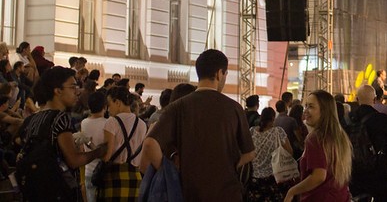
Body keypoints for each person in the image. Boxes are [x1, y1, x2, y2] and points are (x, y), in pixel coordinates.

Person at [141, 49, 255, 201]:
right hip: (227, 193)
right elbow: (249, 153)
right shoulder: (233, 108)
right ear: (219, 73)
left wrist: (170, 172)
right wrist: (231, 165)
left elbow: (149, 143)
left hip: (189, 192)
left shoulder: (178, 106)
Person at [18, 66, 106, 201]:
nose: (77, 92)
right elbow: (74, 160)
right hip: (57, 191)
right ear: (57, 91)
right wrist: (99, 151)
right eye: (73, 87)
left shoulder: (30, 119)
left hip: (35, 191)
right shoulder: (59, 118)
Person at [284, 90, 352, 202]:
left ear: (324, 110)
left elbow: (319, 176)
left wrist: (292, 191)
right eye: (305, 106)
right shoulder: (339, 136)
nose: (305, 111)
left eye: (311, 107)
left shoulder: (315, 138)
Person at [348, 85, 387, 202]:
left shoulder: (349, 119)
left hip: (353, 172)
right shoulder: (381, 119)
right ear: (374, 99)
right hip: (377, 172)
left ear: (357, 100)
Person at [98, 86, 148, 201]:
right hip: (136, 177)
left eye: (109, 104)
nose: (108, 109)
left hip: (115, 177)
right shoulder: (142, 124)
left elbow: (107, 155)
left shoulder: (112, 122)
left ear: (118, 102)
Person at [248, 107, 292, 202]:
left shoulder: (252, 131)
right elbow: (290, 152)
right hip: (273, 177)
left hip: (254, 177)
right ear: (273, 118)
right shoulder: (278, 132)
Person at [82, 91, 109, 202]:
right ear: (105, 107)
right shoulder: (108, 123)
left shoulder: (84, 122)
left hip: (88, 168)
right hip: (103, 170)